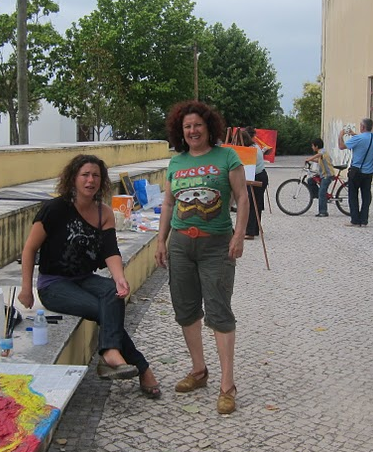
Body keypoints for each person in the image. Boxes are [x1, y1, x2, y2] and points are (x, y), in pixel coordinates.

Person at [17, 154, 161, 399]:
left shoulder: (104, 213)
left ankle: (110, 355)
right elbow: (29, 249)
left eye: (96, 175)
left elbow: (111, 251)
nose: (90, 180)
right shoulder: (54, 209)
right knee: (102, 309)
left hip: (84, 278)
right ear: (73, 178)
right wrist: (25, 289)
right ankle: (138, 366)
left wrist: (119, 278)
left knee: (113, 292)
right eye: (85, 174)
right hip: (54, 284)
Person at [155, 100, 249, 414]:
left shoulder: (227, 156)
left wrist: (239, 234)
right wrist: (161, 240)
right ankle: (198, 371)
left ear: (209, 127)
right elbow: (168, 204)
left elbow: (242, 197)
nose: (193, 130)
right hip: (181, 245)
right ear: (180, 131)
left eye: (198, 125)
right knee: (185, 309)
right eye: (187, 126)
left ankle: (227, 385)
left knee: (219, 311)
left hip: (216, 245)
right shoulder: (176, 162)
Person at [338, 118, 373, 227]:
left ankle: (355, 220)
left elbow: (341, 146)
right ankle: (364, 220)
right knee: (366, 196)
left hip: (356, 171)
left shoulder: (358, 138)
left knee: (353, 196)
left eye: (360, 125)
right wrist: (353, 134)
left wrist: (341, 135)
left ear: (363, 127)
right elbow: (363, 139)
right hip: (368, 172)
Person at [242, 127, 269, 239]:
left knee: (252, 205)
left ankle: (250, 232)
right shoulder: (255, 146)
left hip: (256, 177)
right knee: (256, 203)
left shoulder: (250, 150)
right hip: (261, 175)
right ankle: (255, 229)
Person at [305, 137, 335, 217]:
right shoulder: (321, 153)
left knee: (322, 192)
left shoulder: (322, 151)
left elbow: (320, 154)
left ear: (317, 146)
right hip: (323, 174)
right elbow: (319, 160)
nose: (312, 147)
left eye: (312, 146)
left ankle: (323, 212)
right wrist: (311, 160)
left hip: (327, 175)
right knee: (310, 180)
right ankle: (317, 195)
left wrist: (310, 158)